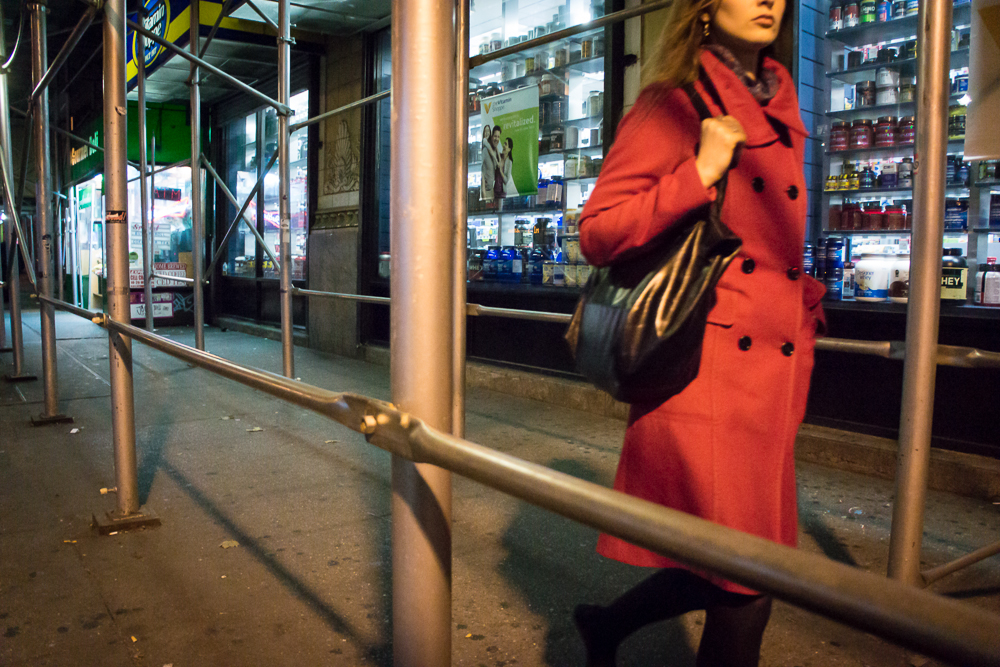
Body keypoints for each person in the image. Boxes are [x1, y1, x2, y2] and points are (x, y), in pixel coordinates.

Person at [573, 0, 826, 664]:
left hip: (770, 377)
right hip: (707, 372)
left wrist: (804, 304)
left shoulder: (784, 108)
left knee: (726, 562)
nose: (769, 0)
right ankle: (606, 625)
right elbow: (598, 231)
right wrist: (700, 173)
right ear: (707, 8)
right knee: (749, 582)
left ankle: (605, 624)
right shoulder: (673, 104)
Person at [480, 124, 496, 202]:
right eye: (485, 131)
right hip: (487, 189)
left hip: (492, 187)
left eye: (488, 131)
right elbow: (483, 171)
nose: (487, 133)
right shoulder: (485, 147)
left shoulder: (492, 147)